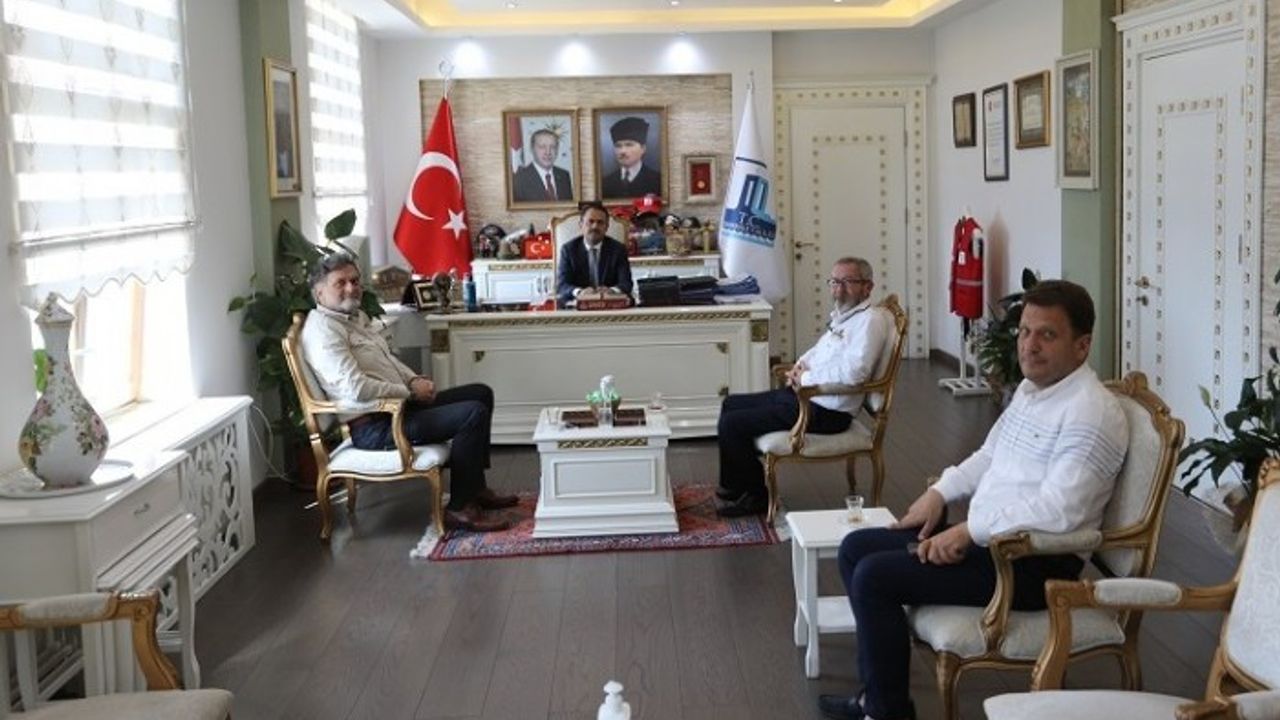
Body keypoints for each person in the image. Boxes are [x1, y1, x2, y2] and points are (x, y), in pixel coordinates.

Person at [818, 280, 1129, 720]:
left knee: (874, 577)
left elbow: (1060, 510)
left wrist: (968, 531)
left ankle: (886, 712)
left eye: (1047, 335)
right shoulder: (1033, 391)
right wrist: (939, 493)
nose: (1029, 346)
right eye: (1025, 332)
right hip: (990, 542)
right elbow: (988, 456)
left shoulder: (1089, 411)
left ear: (1082, 345)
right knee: (856, 548)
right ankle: (880, 699)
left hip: (1032, 563)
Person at [300, 252, 518, 532]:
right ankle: (459, 507)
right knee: (471, 414)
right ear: (319, 292)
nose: (351, 288)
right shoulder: (324, 332)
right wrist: (410, 392)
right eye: (340, 283)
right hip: (376, 425)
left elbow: (387, 361)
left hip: (398, 409)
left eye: (354, 280)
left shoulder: (352, 318)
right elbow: (357, 389)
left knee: (480, 393)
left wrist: (413, 380)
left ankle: (475, 489)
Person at [715, 257, 891, 517]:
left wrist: (806, 378)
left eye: (848, 282)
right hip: (806, 397)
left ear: (868, 287)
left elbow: (856, 372)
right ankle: (735, 485)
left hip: (827, 411)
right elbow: (821, 350)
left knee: (733, 424)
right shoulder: (846, 316)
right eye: (835, 282)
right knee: (730, 404)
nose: (839, 289)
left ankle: (757, 497)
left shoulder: (870, 321)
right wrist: (799, 366)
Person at [556, 201, 634, 303]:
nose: (595, 226)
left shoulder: (618, 249)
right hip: (576, 306)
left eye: (600, 222)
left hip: (609, 305)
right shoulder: (568, 250)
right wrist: (579, 292)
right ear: (581, 225)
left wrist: (612, 291)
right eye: (590, 221)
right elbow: (562, 285)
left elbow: (626, 283)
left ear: (606, 227)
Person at [600, 116, 661, 199]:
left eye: (629, 145)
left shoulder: (658, 181)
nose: (622, 151)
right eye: (618, 146)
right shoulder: (605, 183)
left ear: (643, 149)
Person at [511, 128, 574, 202]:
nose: (548, 152)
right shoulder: (519, 179)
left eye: (553, 147)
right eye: (542, 147)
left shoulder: (564, 175)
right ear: (532, 149)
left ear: (557, 150)